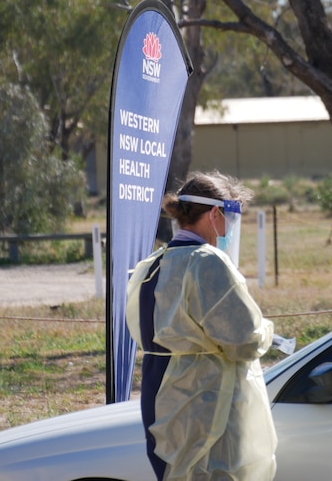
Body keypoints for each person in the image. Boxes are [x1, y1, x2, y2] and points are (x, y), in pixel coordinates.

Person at [126, 171, 277, 481]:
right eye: (232, 214)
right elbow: (243, 340)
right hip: (207, 400)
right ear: (215, 213)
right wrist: (267, 332)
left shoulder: (152, 264)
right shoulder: (207, 263)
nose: (232, 226)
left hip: (160, 396)